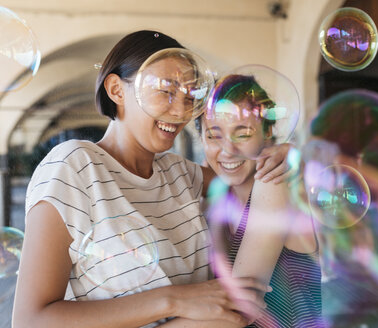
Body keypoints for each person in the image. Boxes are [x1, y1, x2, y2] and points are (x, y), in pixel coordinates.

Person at [12, 30, 293, 328]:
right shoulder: (74, 166)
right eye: (167, 91)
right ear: (117, 90)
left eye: (189, 96)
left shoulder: (180, 173)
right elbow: (30, 320)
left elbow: (248, 172)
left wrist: (284, 154)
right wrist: (173, 299)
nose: (180, 110)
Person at [196, 74, 323, 327]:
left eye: (242, 133)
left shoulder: (276, 185)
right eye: (213, 135)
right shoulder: (217, 200)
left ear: (268, 133)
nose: (228, 150)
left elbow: (238, 310)